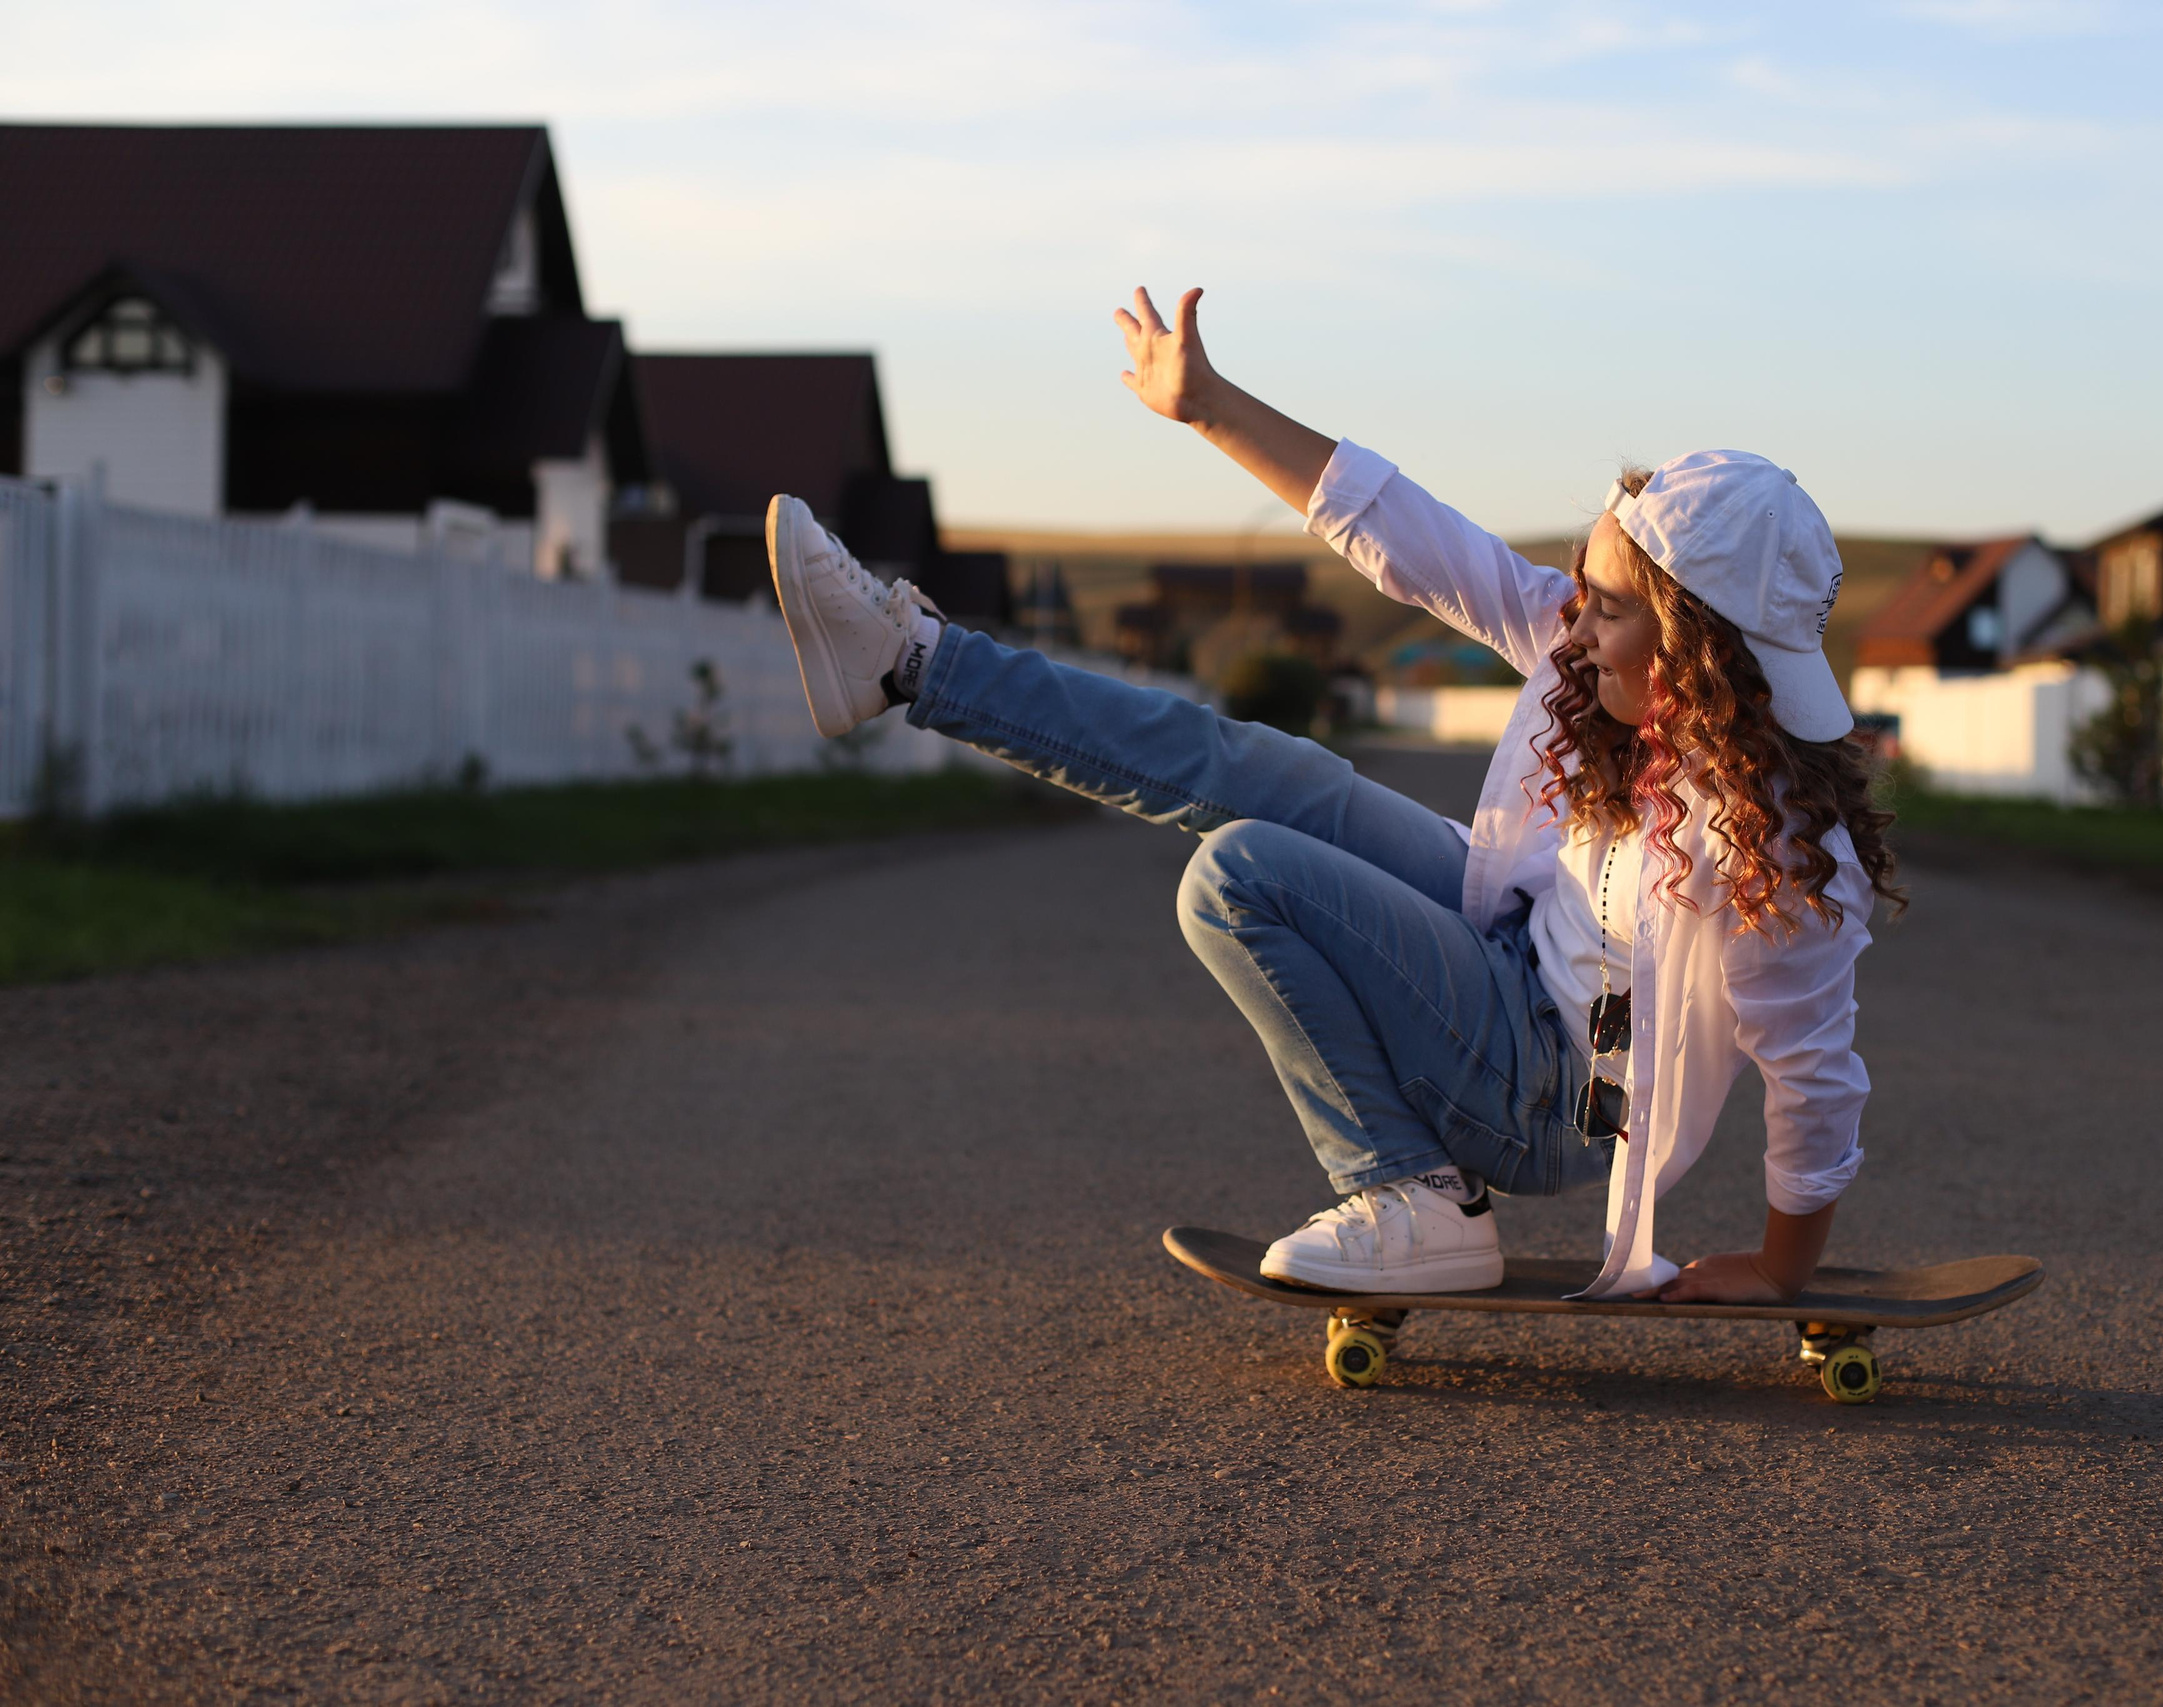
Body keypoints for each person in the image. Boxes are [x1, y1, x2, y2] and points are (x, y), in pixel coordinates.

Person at [763, 287, 1901, 1304]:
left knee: (1241, 874)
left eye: (1607, 606)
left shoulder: (1774, 846)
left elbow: (1813, 1074)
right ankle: (913, 661)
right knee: (1274, 774)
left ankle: (1412, 1201)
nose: (1576, 624)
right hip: (1502, 956)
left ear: (1696, 648)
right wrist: (1207, 405)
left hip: (1554, 1097)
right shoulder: (1593, 661)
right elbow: (1415, 539)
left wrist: (1780, 1268)